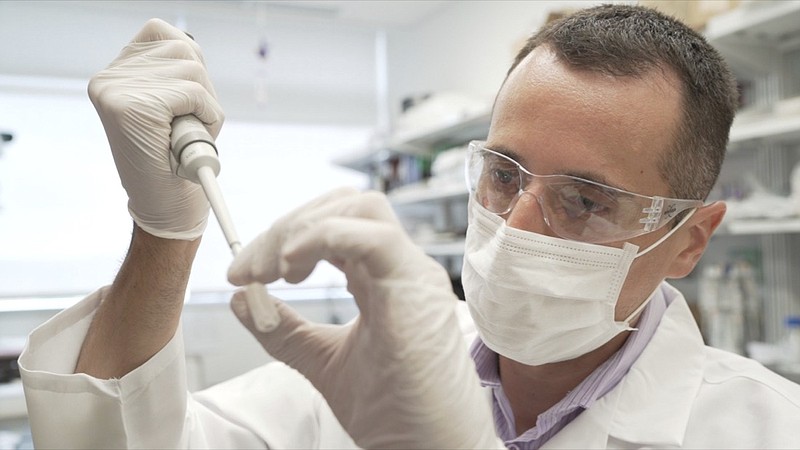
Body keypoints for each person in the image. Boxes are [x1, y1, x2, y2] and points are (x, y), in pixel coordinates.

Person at [18, 4, 800, 449]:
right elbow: (120, 444)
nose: (515, 226)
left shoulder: (766, 431)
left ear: (689, 240)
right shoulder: (365, 369)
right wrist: (163, 227)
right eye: (503, 174)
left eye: (586, 201)